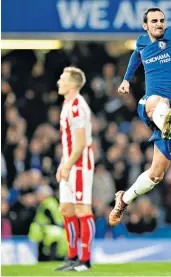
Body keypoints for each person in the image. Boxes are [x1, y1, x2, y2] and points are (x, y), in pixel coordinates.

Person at [109, 8, 171, 227]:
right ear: (145, 25)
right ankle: (165, 121)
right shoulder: (142, 42)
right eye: (154, 21)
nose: (159, 23)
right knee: (160, 101)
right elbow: (136, 55)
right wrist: (126, 79)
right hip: (150, 104)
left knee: (156, 175)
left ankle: (123, 200)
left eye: (162, 20)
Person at [55, 67, 95, 271]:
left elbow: (80, 144)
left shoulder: (78, 106)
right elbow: (69, 142)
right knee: (66, 209)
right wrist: (63, 164)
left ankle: (85, 261)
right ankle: (72, 257)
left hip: (79, 165)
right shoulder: (67, 104)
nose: (58, 82)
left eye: (62, 79)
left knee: (82, 209)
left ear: (72, 84)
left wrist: (68, 165)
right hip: (70, 162)